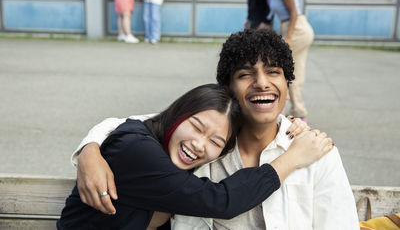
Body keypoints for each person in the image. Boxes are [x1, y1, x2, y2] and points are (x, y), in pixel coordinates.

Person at [58, 83, 333, 230]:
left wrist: (287, 127)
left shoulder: (162, 143)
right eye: (197, 127)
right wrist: (292, 158)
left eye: (215, 141)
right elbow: (220, 200)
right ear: (178, 114)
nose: (199, 145)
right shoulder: (136, 150)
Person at [172, 29, 359, 229]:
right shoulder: (202, 151)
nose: (261, 83)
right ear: (226, 91)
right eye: (245, 74)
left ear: (288, 89)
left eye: (273, 72)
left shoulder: (318, 152)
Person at [250, 0, 314, 120]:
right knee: (294, 71)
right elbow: (273, 12)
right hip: (289, 28)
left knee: (280, 68)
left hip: (297, 28)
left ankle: (283, 109)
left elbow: (294, 13)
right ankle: (298, 111)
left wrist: (289, 37)